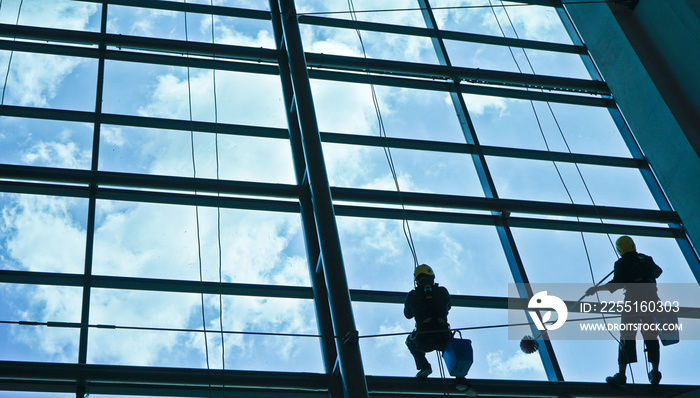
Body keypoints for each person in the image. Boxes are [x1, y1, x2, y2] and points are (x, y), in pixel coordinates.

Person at [585, 236, 663, 386]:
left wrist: (596, 289)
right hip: (651, 301)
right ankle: (655, 372)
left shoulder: (620, 263)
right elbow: (658, 272)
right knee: (651, 336)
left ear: (619, 250)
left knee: (626, 336)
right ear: (633, 246)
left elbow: (617, 284)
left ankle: (621, 375)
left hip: (633, 302)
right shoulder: (646, 258)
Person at [404, 264, 452, 378]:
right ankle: (460, 377)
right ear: (432, 278)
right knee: (452, 348)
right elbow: (448, 306)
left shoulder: (412, 295)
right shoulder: (442, 291)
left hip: (424, 338)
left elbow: (407, 315)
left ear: (417, 281)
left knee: (409, 341)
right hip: (443, 335)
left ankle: (425, 367)